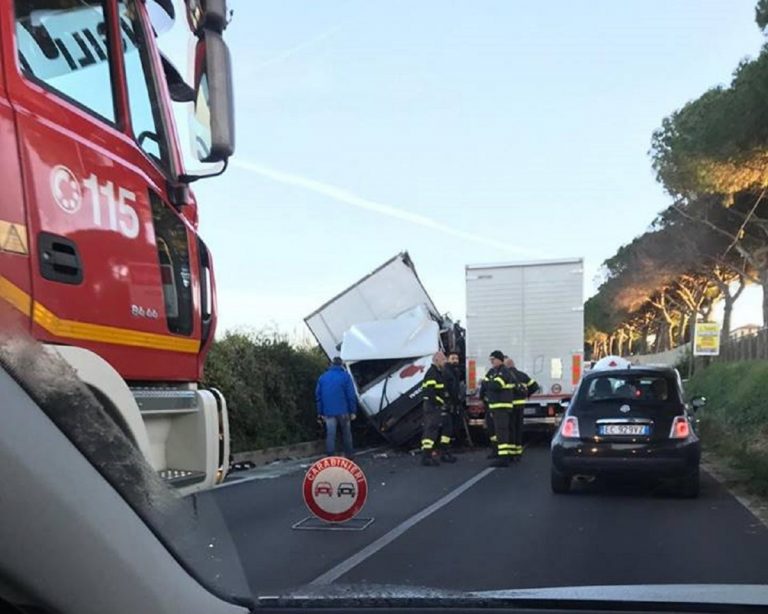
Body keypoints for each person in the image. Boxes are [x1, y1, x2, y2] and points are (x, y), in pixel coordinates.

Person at [315, 357, 357, 458]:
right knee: (346, 434)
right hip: (343, 411)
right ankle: (350, 456)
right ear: (341, 364)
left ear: (331, 364)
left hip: (328, 412)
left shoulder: (322, 377)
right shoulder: (345, 376)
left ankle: (330, 456)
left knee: (331, 435)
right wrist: (353, 411)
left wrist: (320, 412)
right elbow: (350, 394)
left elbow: (318, 396)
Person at [420, 351, 457, 465]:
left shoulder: (440, 373)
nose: (445, 362)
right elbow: (430, 393)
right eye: (443, 360)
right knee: (431, 430)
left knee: (447, 428)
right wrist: (441, 402)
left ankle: (444, 452)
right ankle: (426, 456)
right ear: (436, 360)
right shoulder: (432, 373)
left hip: (440, 405)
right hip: (433, 406)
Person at [484, 350, 516, 467]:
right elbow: (486, 383)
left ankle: (504, 458)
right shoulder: (494, 371)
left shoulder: (503, 371)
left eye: (493, 359)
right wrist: (488, 383)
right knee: (498, 431)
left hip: (502, 407)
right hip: (496, 407)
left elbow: (495, 385)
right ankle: (499, 454)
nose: (491, 362)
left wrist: (488, 383)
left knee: (502, 432)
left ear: (499, 359)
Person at [504, 357, 540, 460]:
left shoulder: (505, 376)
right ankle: (518, 452)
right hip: (520, 406)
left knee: (510, 428)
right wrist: (527, 395)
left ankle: (511, 452)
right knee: (518, 428)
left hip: (509, 406)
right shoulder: (522, 375)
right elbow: (534, 386)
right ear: (514, 364)